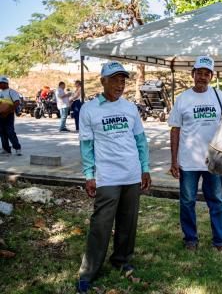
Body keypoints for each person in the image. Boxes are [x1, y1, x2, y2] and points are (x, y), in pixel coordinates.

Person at [76, 61, 151, 293]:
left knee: (128, 222)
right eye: (115, 79)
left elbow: (140, 141)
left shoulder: (130, 108)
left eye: (123, 80)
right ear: (103, 81)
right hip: (107, 177)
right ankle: (88, 272)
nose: (120, 84)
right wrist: (89, 175)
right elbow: (86, 145)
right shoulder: (89, 109)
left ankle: (121, 259)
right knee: (101, 224)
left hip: (131, 174)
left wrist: (144, 168)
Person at [168, 56, 222, 251]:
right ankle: (190, 240)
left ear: (211, 76)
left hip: (214, 161)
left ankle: (219, 241)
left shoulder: (220, 96)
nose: (202, 77)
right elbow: (175, 129)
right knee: (187, 202)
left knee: (217, 202)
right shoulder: (183, 98)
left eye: (206, 73)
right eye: (199, 73)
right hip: (188, 162)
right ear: (193, 74)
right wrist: (174, 161)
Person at [0, 76, 22, 156]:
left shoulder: (11, 92)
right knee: (2, 132)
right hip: (1, 115)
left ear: (5, 83)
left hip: (9, 115)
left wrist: (8, 111)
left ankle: (17, 148)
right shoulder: (0, 92)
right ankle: (6, 149)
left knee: (10, 132)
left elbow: (17, 102)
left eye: (0, 83)